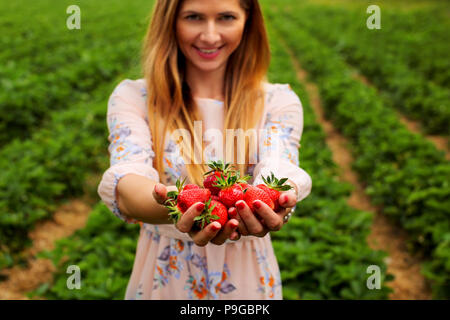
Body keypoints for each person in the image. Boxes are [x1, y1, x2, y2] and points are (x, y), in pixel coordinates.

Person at [97, 0, 312, 300]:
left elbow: (280, 164)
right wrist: (181, 206)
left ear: (248, 21)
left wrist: (278, 198)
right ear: (170, 21)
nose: (210, 36)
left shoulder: (277, 101)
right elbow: (126, 184)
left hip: (246, 284)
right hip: (165, 280)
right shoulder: (135, 97)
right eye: (194, 17)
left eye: (226, 17)